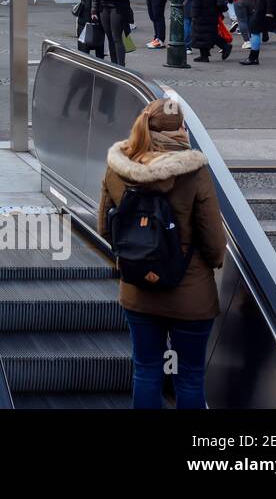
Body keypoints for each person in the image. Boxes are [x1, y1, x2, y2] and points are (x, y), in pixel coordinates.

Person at [99, 98, 225, 409]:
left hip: (138, 288)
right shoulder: (194, 171)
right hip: (191, 293)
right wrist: (212, 263)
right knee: (191, 376)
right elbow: (212, 237)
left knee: (146, 370)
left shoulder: (118, 167)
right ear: (180, 129)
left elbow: (105, 227)